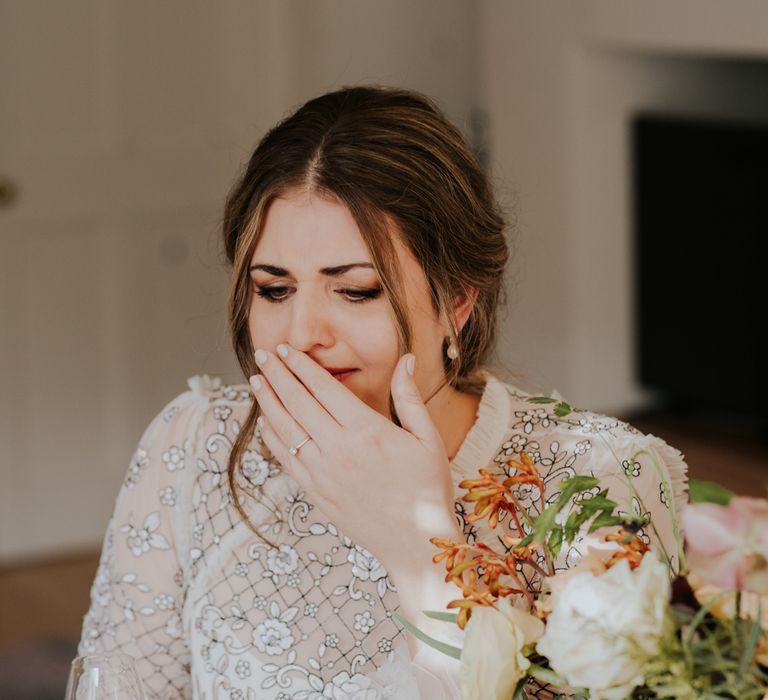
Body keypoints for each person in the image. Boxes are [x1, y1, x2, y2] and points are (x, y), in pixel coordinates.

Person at [77, 86, 688, 699]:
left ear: (458, 300)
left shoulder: (604, 476)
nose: (303, 335)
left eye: (357, 290)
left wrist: (419, 546)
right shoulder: (193, 446)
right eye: (274, 289)